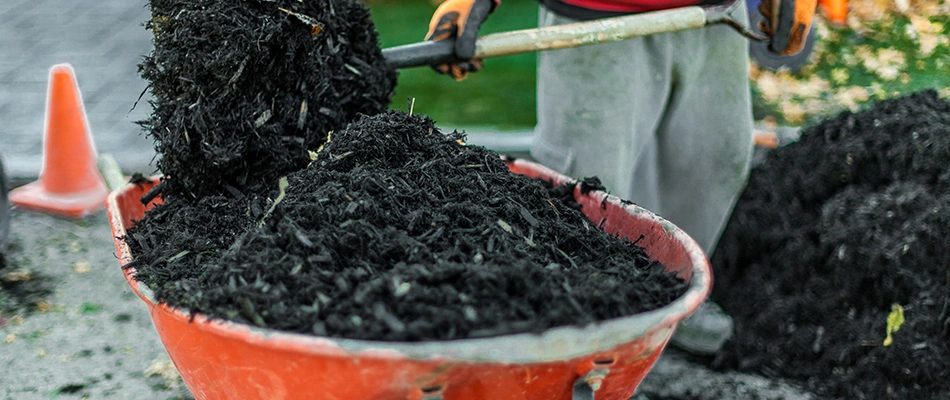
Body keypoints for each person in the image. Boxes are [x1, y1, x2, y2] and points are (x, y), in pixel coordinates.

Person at [422, 0, 818, 354]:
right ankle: (581, 324)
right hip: (594, 18)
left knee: (715, 159)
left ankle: (674, 295)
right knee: (586, 186)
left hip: (715, 15)